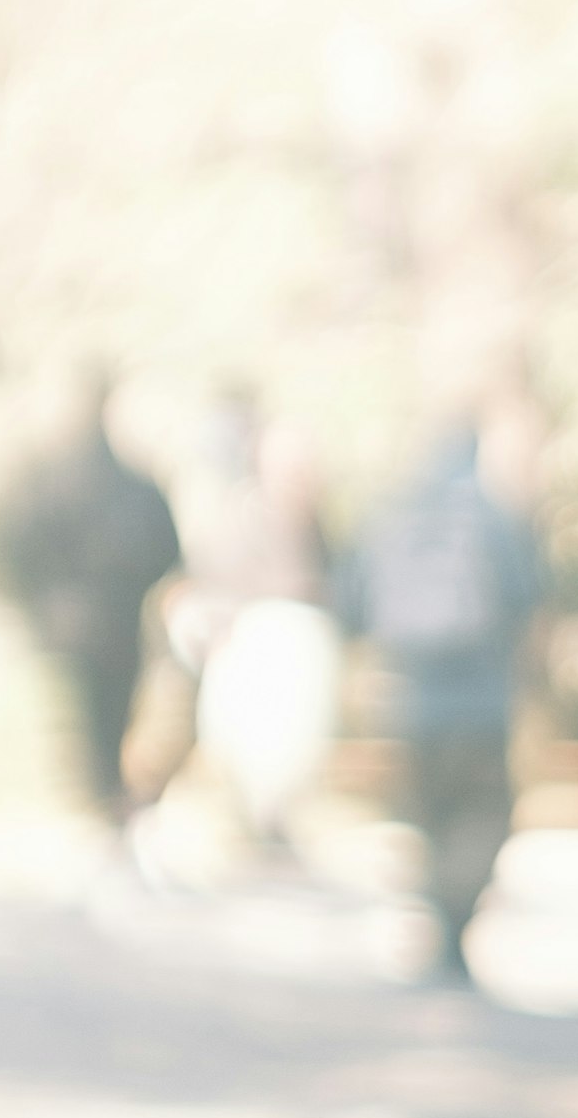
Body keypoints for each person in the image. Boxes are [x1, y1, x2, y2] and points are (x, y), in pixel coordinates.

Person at [341, 418, 542, 985]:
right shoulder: (491, 517)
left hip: (412, 699)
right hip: (482, 701)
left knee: (429, 819)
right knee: (481, 817)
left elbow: (352, 599)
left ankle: (440, 923)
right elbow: (527, 594)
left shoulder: (392, 516)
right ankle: (455, 925)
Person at [0, 377, 181, 824]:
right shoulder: (122, 485)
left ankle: (101, 801)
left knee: (93, 722)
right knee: (98, 719)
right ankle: (101, 801)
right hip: (110, 625)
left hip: (80, 624)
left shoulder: (51, 483)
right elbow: (166, 550)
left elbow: (17, 547)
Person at [168, 396, 340, 858]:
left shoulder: (317, 522)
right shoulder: (241, 515)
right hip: (257, 649)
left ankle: (273, 823)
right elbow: (211, 580)